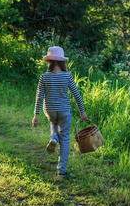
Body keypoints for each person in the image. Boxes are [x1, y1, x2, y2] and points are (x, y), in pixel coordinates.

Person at [32, 46, 88, 177]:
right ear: (62, 62)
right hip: (64, 110)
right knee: (65, 139)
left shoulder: (44, 77)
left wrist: (36, 115)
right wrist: (82, 112)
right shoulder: (67, 76)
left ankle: (53, 137)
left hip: (50, 110)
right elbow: (76, 95)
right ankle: (61, 171)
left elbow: (39, 96)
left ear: (49, 62)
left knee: (53, 122)